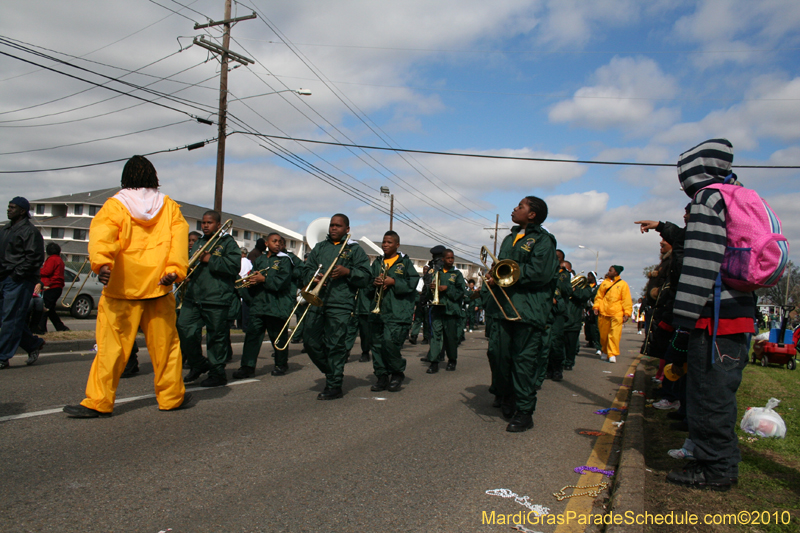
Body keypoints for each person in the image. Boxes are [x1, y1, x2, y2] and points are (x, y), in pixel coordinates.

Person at [62, 156, 189, 417]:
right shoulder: (169, 207)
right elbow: (179, 242)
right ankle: (171, 398)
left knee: (110, 350)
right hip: (159, 288)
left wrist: (103, 264)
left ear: (125, 177)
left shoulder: (115, 205)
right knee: (166, 348)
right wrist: (173, 271)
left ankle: (98, 402)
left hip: (122, 287)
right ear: (154, 177)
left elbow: (102, 235)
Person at [665, 139, 756, 492]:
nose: (681, 181)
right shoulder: (735, 194)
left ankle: (715, 468)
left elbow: (701, 264)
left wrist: (683, 321)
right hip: (738, 309)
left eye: (682, 172)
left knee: (708, 394)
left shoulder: (707, 200)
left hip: (713, 315)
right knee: (721, 391)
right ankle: (716, 461)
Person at [491, 196, 558, 432]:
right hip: (505, 307)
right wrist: (494, 274)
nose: (514, 208)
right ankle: (507, 396)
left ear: (532, 214)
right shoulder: (510, 238)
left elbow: (541, 272)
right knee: (500, 356)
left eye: (520, 206)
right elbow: (501, 266)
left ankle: (525, 412)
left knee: (524, 361)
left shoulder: (543, 240)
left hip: (528, 310)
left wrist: (508, 273)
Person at [300, 214, 371, 400]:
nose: (333, 228)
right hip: (318, 299)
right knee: (310, 340)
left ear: (347, 229)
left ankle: (334, 385)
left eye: (338, 226)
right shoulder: (320, 247)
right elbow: (306, 269)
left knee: (335, 345)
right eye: (331, 225)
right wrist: (313, 278)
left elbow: (366, 277)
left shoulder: (355, 250)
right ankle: (332, 372)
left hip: (341, 302)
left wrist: (348, 271)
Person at [178, 210, 241, 388]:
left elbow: (233, 267)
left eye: (209, 222)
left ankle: (217, 373)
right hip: (194, 296)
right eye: (203, 222)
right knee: (184, 330)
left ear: (218, 225)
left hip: (216, 298)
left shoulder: (228, 243)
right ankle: (198, 363)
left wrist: (209, 259)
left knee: (216, 338)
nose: (205, 225)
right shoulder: (198, 242)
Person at [233, 233, 294, 378]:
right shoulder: (259, 260)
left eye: (280, 242)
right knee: (252, 337)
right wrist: (252, 282)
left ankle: (281, 364)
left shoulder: (285, 260)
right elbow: (255, 277)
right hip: (259, 304)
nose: (278, 244)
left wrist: (263, 279)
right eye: (274, 241)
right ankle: (247, 366)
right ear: (266, 244)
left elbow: (282, 282)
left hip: (276, 305)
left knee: (277, 336)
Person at [368, 231, 420, 392]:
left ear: (397, 245)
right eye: (384, 242)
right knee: (376, 345)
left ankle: (397, 372)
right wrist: (374, 282)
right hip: (378, 310)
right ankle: (382, 376)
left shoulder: (404, 263)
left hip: (397, 311)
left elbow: (413, 282)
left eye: (389, 242)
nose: (385, 245)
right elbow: (368, 282)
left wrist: (393, 281)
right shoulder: (377, 263)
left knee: (390, 343)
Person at [0, 197, 45, 369]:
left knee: (11, 318)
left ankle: (3, 357)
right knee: (8, 319)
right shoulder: (6, 229)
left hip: (19, 280)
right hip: (4, 278)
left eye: (13, 207)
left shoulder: (30, 231)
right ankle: (33, 344)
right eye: (8, 207)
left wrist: (17, 275)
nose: (8, 209)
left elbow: (35, 258)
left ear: (22, 211)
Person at [425, 249, 466, 373]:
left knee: (450, 337)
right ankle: (434, 362)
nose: (451, 260)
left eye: (452, 258)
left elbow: (460, 292)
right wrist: (431, 289)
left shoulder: (457, 274)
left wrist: (447, 288)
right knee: (435, 336)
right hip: (438, 309)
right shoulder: (436, 273)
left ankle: (452, 360)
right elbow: (429, 293)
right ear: (443, 259)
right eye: (448, 258)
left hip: (451, 310)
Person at [593, 265, 631, 363]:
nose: (608, 272)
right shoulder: (604, 283)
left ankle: (612, 353)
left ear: (616, 273)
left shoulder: (623, 284)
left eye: (611, 270)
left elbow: (626, 300)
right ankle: (605, 351)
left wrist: (627, 313)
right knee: (603, 335)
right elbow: (599, 297)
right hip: (604, 313)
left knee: (614, 335)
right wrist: (596, 307)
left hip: (617, 313)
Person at [563, 261, 592, 371]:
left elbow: (585, 296)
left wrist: (573, 289)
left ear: (569, 270)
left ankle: (569, 362)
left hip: (573, 318)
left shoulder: (582, 284)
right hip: (560, 317)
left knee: (571, 343)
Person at [36, 242, 69, 333]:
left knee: (45, 308)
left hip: (51, 286)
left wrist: (37, 271)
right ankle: (60, 327)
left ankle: (41, 328)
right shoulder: (59, 259)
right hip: (57, 286)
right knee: (50, 309)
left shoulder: (52, 259)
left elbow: (47, 271)